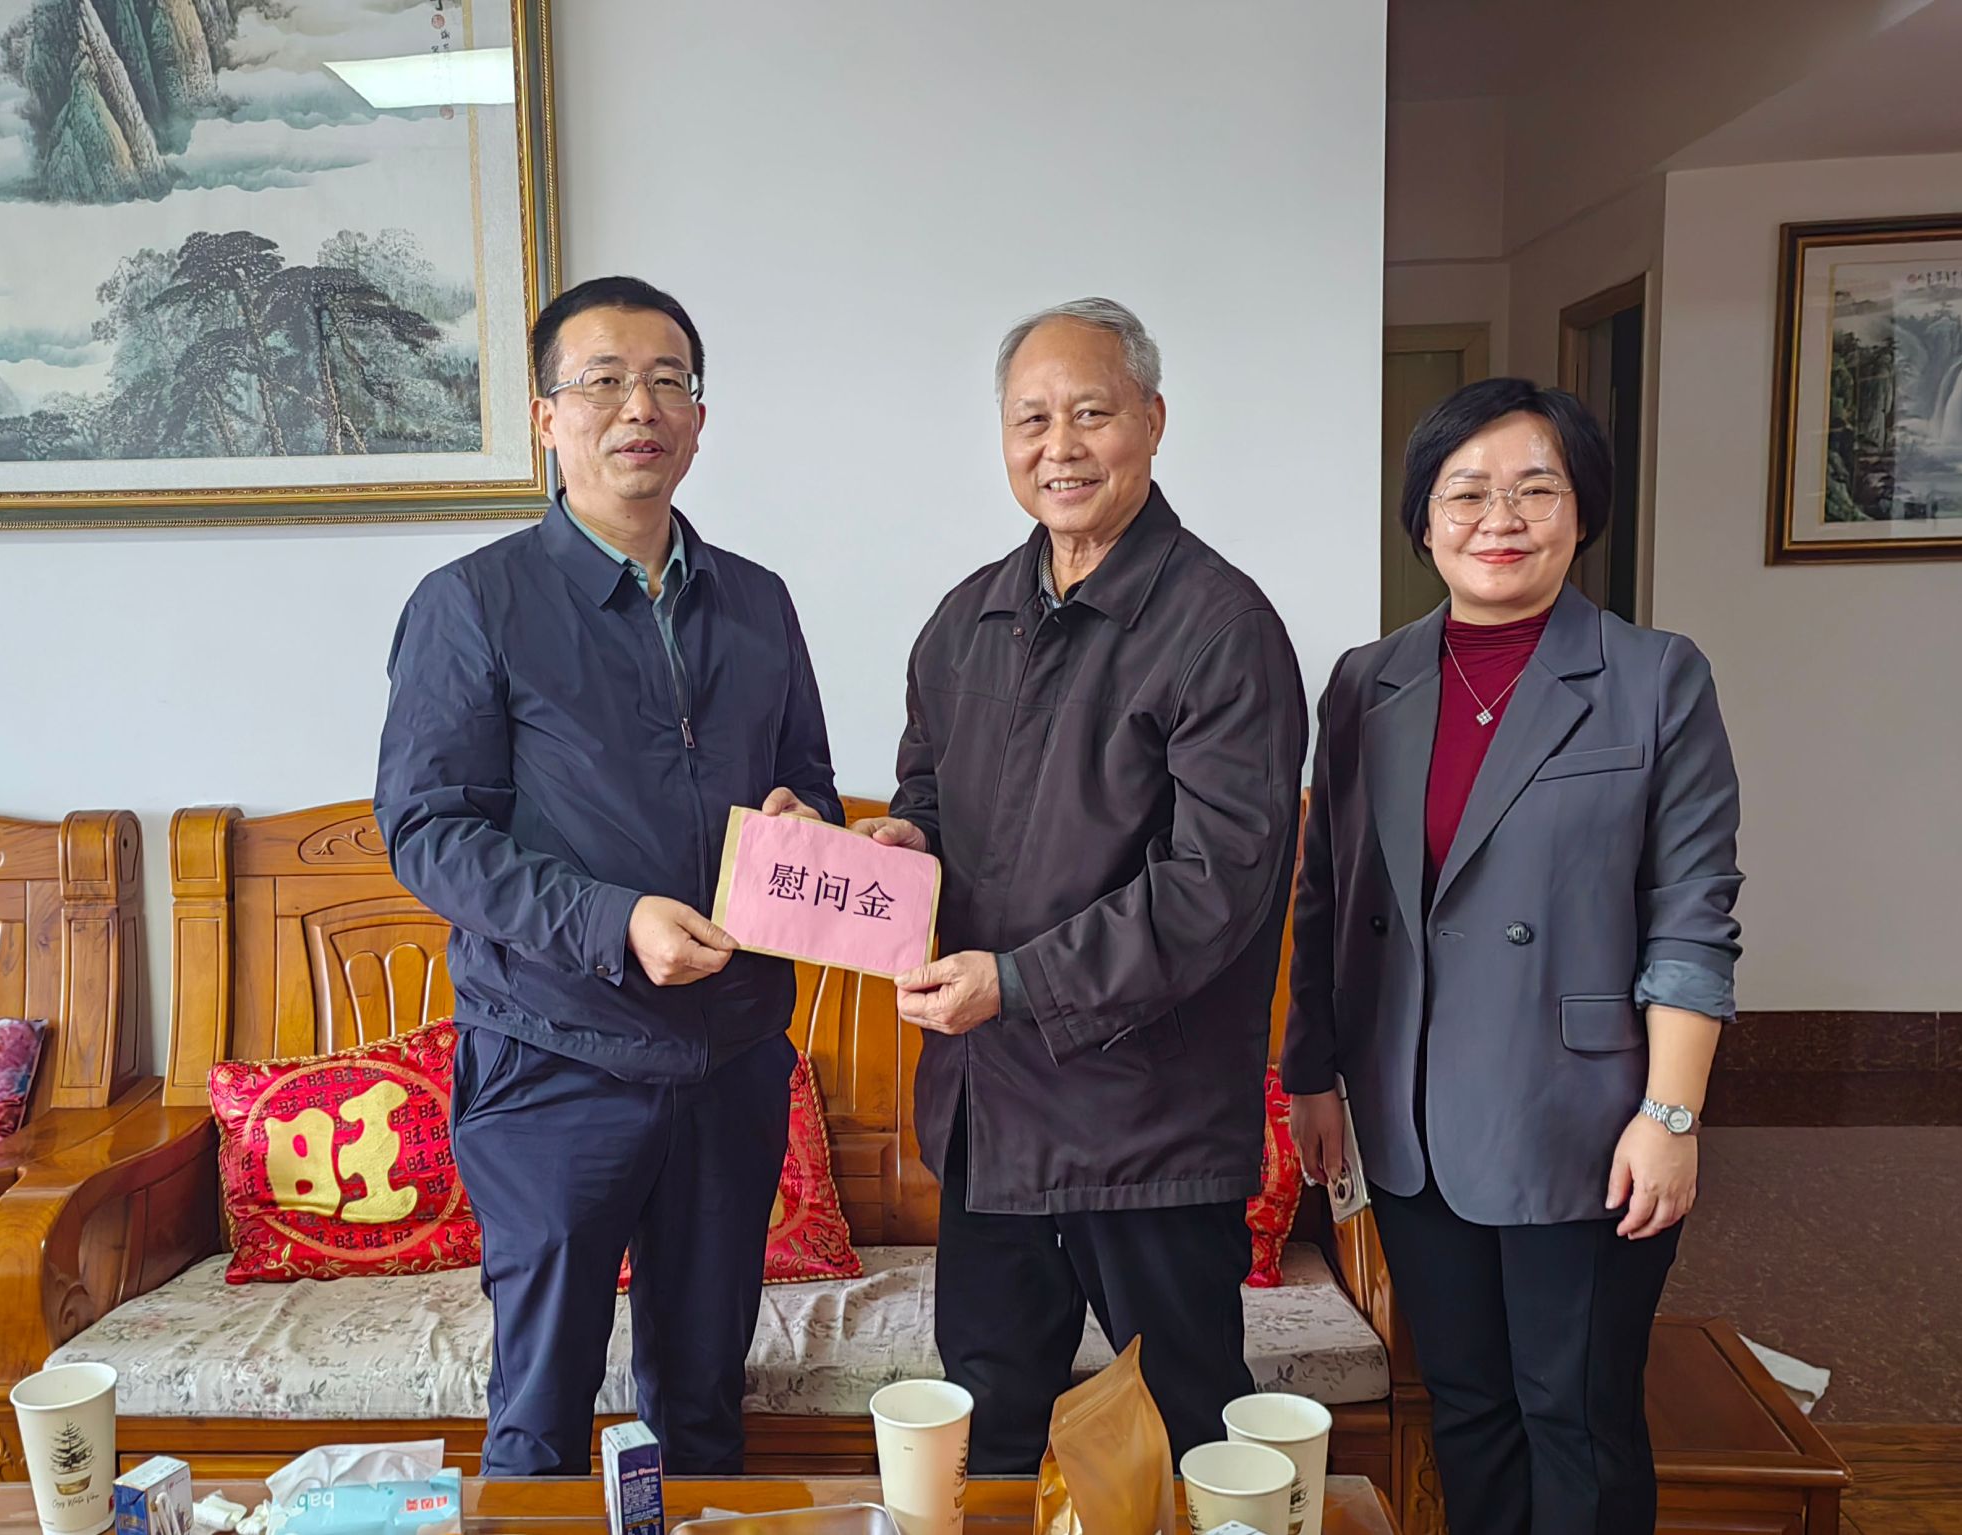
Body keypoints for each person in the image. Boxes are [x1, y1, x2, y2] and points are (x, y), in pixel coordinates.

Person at [375, 275, 839, 1475]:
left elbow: (808, 783)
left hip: (731, 1054)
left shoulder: (758, 600)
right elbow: (429, 829)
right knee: (541, 1410)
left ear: (698, 417)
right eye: (604, 381)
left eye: (668, 381)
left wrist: (807, 826)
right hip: (553, 1058)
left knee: (705, 1402)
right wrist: (613, 919)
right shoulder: (472, 603)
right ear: (547, 416)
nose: (641, 406)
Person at [854, 297, 1307, 1470]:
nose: (1059, 445)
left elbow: (1213, 886)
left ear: (1151, 419)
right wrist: (898, 841)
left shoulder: (1220, 627)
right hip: (989, 1114)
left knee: (1191, 1436)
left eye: (1090, 413)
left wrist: (1015, 982)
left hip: (1144, 1126)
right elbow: (929, 796)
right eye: (1030, 419)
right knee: (990, 1436)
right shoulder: (965, 620)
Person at [1285, 377, 1743, 1535]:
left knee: (1575, 1413)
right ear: (1423, 519)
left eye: (1534, 489)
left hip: (1580, 1121)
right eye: (1465, 492)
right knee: (1468, 1406)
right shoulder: (1365, 682)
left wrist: (1671, 1115)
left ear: (1581, 511)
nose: (1498, 518)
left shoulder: (1652, 676)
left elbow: (1691, 913)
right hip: (1409, 1114)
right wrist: (1310, 1073)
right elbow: (1325, 892)